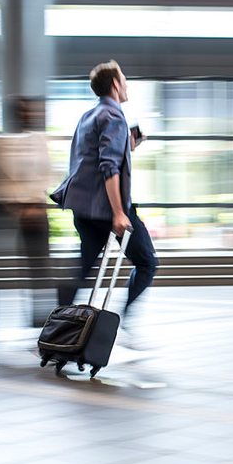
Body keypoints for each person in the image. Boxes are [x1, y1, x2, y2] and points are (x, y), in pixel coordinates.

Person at [50, 60, 158, 348]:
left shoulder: (88, 115)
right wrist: (119, 213)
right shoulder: (114, 116)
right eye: (124, 79)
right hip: (108, 208)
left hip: (83, 207)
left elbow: (91, 157)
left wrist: (129, 145)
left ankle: (55, 330)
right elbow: (108, 166)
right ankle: (123, 323)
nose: (127, 85)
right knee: (147, 262)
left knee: (82, 266)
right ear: (114, 84)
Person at [0, 97, 54, 327]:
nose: (26, 115)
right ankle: (3, 316)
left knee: (40, 267)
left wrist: (33, 203)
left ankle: (41, 317)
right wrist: (14, 205)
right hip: (8, 211)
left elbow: (46, 174)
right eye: (21, 111)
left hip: (35, 211)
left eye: (28, 111)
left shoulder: (39, 141)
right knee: (4, 268)